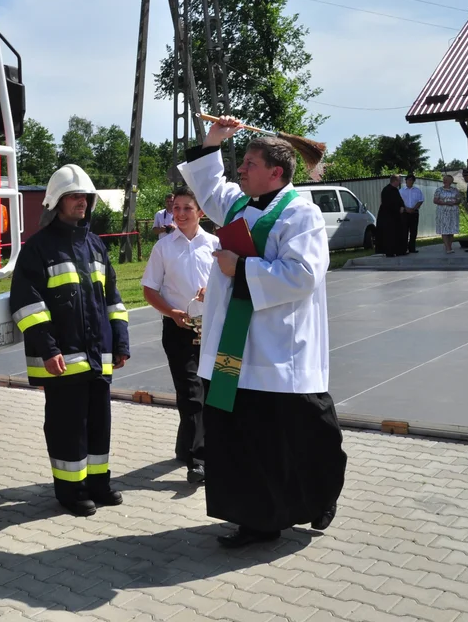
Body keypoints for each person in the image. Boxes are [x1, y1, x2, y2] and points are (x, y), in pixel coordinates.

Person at [178, 116, 347, 548]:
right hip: (235, 350)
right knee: (241, 437)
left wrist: (243, 268)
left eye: (249, 163)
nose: (241, 170)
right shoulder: (239, 205)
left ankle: (319, 495)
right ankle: (256, 519)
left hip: (278, 350)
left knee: (303, 431)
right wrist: (215, 140)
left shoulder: (300, 213)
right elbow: (210, 187)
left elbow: (304, 274)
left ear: (276, 171)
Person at [10, 164, 131, 517]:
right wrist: (48, 349)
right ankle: (69, 491)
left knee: (99, 424)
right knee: (67, 428)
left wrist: (120, 342)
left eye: (85, 197)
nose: (82, 202)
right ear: (57, 202)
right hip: (63, 359)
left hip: (98, 357)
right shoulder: (38, 249)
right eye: (74, 196)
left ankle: (98, 483)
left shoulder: (94, 245)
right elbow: (27, 305)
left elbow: (113, 298)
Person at [141, 186, 217, 484]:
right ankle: (199, 460)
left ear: (201, 212)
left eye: (188, 208)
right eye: (177, 209)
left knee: (210, 394)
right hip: (178, 330)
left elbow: (230, 283)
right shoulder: (164, 247)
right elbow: (149, 290)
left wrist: (213, 290)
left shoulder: (215, 244)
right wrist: (172, 313)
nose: (181, 214)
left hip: (211, 330)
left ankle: (186, 446)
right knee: (191, 394)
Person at [376, 175, 407, 257]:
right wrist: (398, 209)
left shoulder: (395, 190)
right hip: (388, 217)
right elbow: (387, 204)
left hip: (396, 217)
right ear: (395, 181)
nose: (400, 182)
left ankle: (399, 250)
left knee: (398, 234)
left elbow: (399, 200)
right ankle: (390, 251)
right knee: (389, 235)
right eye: (399, 180)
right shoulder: (386, 190)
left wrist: (402, 206)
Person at [433, 175, 461, 254]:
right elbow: (435, 200)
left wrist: (455, 202)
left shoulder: (455, 190)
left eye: (446, 179)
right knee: (444, 229)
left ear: (450, 181)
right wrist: (445, 202)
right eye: (444, 179)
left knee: (451, 229)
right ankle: (447, 247)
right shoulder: (439, 190)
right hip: (443, 211)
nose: (444, 181)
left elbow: (459, 200)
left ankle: (449, 246)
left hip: (453, 211)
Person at [400, 173, 424, 253]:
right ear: (406, 181)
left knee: (413, 231)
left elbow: (420, 200)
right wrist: (406, 209)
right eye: (409, 180)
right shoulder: (401, 191)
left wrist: (414, 209)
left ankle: (412, 248)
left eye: (412, 180)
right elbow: (400, 202)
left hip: (414, 212)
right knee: (404, 231)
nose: (410, 181)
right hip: (405, 213)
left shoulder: (417, 190)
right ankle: (404, 248)